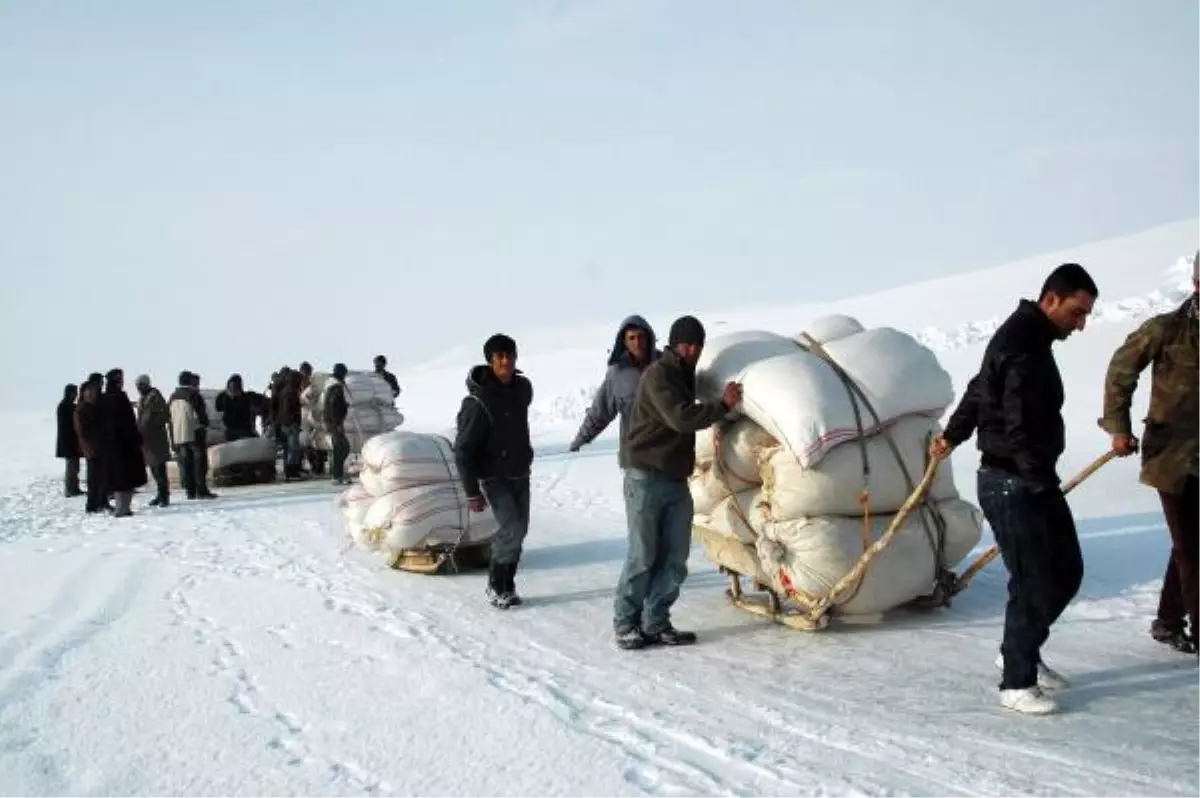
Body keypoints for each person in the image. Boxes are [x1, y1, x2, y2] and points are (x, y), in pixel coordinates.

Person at [931, 263, 1099, 715]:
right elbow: (1017, 423)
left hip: (1028, 478)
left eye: (1086, 316)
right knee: (1034, 579)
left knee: (1066, 571)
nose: (1080, 324)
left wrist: (952, 434)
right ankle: (1015, 681)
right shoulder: (1023, 345)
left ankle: (1019, 650)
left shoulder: (1027, 338)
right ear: (1051, 300)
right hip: (1013, 482)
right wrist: (1037, 479)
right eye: (1077, 312)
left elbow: (979, 386)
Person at [614, 315, 742, 650]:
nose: (692, 350)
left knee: (675, 557)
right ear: (673, 345)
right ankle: (626, 623)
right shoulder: (659, 374)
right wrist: (722, 405)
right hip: (644, 475)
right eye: (685, 344)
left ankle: (656, 622)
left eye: (697, 345)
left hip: (674, 477)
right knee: (643, 555)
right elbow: (681, 418)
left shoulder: (687, 376)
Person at [1099, 250, 1200, 659]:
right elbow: (1121, 370)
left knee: (1190, 544)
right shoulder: (1167, 329)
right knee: (1194, 550)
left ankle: (1168, 620)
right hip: (1173, 457)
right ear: (1196, 284)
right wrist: (1119, 428)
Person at [454, 334, 533, 609]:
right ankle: (495, 584)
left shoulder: (522, 390)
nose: (506, 361)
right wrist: (472, 492)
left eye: (510, 355)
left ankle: (508, 585)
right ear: (489, 361)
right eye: (499, 356)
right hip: (493, 476)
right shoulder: (478, 402)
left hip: (520, 472)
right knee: (510, 526)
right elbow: (462, 450)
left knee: (520, 530)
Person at [569, 315, 660, 458]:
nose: (637, 342)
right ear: (624, 341)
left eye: (641, 337)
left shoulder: (665, 366)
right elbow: (599, 413)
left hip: (669, 456)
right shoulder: (617, 373)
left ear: (649, 338)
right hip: (635, 458)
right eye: (632, 338)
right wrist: (579, 442)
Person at [100, 368, 147, 517]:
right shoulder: (116, 398)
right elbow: (125, 422)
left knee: (123, 477)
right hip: (122, 445)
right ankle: (122, 508)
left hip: (119, 444)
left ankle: (123, 507)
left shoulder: (108, 398)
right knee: (122, 477)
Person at [169, 371, 218, 500]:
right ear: (190, 381)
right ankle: (201, 490)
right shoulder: (193, 395)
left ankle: (190, 491)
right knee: (200, 463)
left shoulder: (173, 396)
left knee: (186, 464)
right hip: (195, 432)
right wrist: (205, 424)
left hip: (180, 434)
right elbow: (201, 414)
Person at [74, 377, 111, 513]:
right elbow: (83, 431)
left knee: (101, 477)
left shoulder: (92, 407)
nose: (93, 394)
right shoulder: (82, 409)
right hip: (93, 449)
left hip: (98, 447)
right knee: (94, 479)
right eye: (90, 392)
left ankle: (100, 502)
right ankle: (92, 505)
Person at [135, 374, 172, 507]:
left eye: (141, 385)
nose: (139, 388)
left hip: (157, 439)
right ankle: (160, 494)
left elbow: (165, 416)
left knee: (160, 469)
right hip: (147, 440)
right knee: (154, 469)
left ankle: (164, 495)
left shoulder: (155, 397)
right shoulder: (143, 398)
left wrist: (151, 424)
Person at [323, 363, 351, 485]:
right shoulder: (336, 387)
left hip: (331, 421)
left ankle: (338, 474)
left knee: (340, 448)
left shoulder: (331, 385)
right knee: (342, 447)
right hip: (334, 422)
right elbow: (334, 405)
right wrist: (338, 424)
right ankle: (337, 475)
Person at [56, 383, 84, 497]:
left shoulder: (66, 405)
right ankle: (70, 489)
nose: (76, 395)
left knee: (74, 466)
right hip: (69, 441)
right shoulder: (65, 406)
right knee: (71, 467)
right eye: (74, 392)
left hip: (70, 441)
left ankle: (74, 488)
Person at [278, 369, 305, 480]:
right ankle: (290, 471)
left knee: (292, 449)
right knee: (293, 449)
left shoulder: (286, 391)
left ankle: (292, 471)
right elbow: (288, 409)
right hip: (291, 424)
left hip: (287, 424)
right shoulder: (290, 392)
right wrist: (294, 421)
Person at [215, 374, 257, 441]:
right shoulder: (223, 396)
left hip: (243, 427)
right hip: (229, 427)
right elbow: (218, 408)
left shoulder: (245, 397)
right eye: (232, 385)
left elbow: (245, 409)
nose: (234, 387)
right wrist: (228, 398)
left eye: (236, 385)